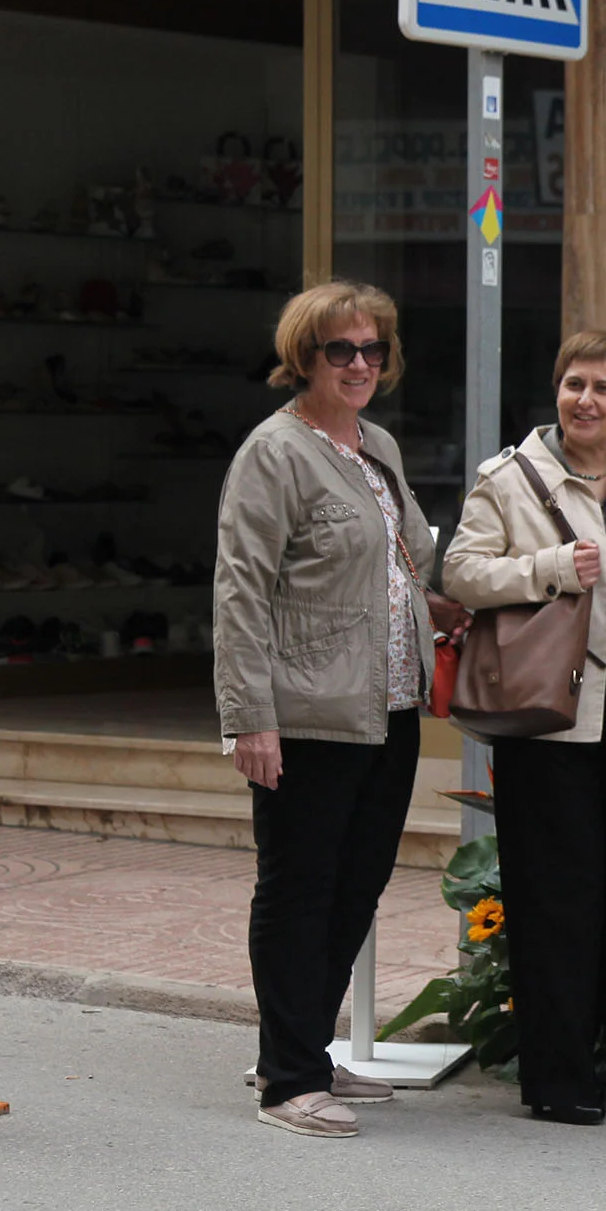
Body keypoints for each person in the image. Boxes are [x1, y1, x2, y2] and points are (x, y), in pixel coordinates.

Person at [215, 280, 452, 1138]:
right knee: (299, 887)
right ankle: (286, 1078)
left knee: (358, 882)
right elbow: (242, 588)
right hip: (307, 707)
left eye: (372, 350)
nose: (359, 365)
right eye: (339, 351)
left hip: (386, 703)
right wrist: (249, 715)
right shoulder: (274, 452)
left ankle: (305, 1049)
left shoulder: (375, 442)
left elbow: (416, 555)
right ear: (304, 358)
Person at [443, 330, 606, 1125]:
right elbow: (461, 571)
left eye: (603, 388)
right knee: (550, 900)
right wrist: (543, 570)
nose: (585, 400)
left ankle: (591, 1054)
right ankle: (554, 1074)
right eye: (574, 383)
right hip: (548, 720)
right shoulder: (508, 478)